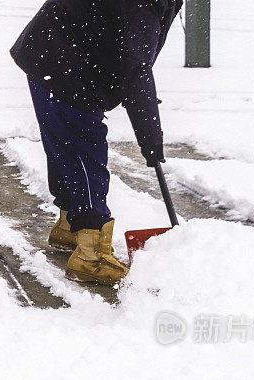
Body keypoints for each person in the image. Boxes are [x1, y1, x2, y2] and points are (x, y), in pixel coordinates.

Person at [11, 0, 182, 285]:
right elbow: (136, 68)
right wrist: (150, 139)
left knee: (65, 145)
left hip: (54, 49)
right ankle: (91, 255)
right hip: (63, 59)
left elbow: (132, 54)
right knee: (84, 153)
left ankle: (70, 226)